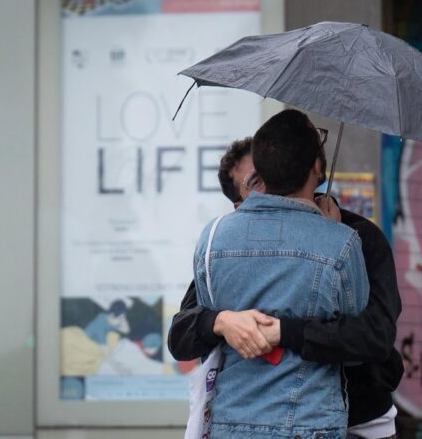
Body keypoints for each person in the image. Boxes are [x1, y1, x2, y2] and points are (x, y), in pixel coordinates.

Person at [169, 113, 403, 438]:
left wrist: (285, 328)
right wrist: (220, 321)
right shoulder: (221, 243)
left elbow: (372, 339)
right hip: (287, 420)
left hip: (357, 419)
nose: (263, 192)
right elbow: (181, 335)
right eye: (252, 185)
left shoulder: (355, 238)